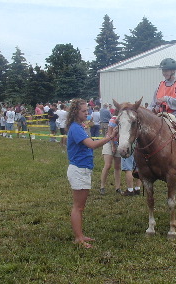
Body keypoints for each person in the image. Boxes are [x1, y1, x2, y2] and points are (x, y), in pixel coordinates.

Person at [66, 98, 117, 248]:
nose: (87, 113)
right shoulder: (76, 128)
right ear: (76, 112)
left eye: (87, 110)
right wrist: (109, 137)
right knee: (78, 207)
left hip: (83, 169)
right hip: (79, 170)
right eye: (84, 111)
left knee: (81, 207)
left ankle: (80, 235)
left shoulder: (79, 127)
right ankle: (78, 238)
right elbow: (92, 145)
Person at [100, 112, 123, 195]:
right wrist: (113, 145)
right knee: (108, 165)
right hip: (109, 142)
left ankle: (118, 188)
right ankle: (102, 186)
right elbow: (110, 133)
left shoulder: (124, 121)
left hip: (119, 144)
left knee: (117, 167)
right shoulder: (113, 119)